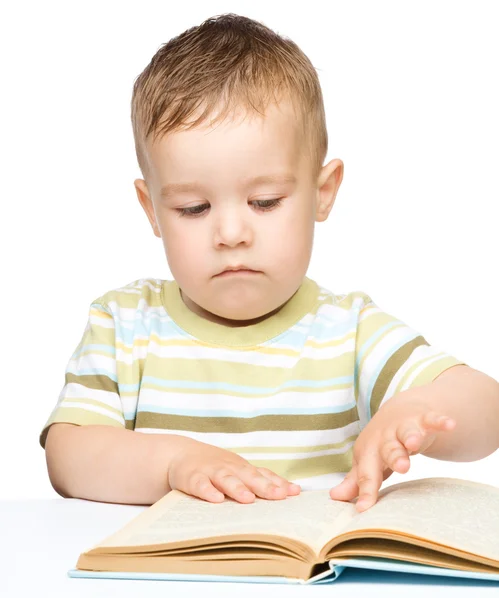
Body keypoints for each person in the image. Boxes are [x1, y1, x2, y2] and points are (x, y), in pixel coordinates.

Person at [40, 13, 499, 513]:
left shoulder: (348, 331)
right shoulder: (125, 324)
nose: (231, 234)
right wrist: (174, 462)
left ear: (322, 194)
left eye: (264, 202)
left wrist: (420, 411)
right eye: (193, 209)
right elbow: (68, 458)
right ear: (152, 210)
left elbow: (487, 409)